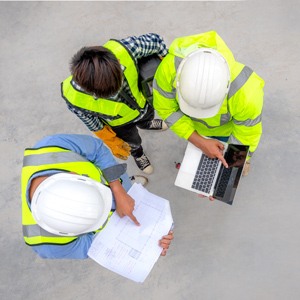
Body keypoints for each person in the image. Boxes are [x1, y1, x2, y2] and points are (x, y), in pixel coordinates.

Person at [21, 134, 173, 259]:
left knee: (125, 184)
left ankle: (129, 186)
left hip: (116, 184)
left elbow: (98, 150)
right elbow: (100, 247)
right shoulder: (49, 247)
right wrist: (149, 245)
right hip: (117, 219)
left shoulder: (53, 147)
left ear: (73, 175)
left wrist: (119, 189)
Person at [153, 31, 264, 187]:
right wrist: (198, 142)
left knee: (233, 160)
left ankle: (241, 162)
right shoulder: (169, 69)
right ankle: (197, 149)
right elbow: (166, 110)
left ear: (227, 87)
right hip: (196, 130)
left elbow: (246, 135)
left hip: (228, 132)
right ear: (179, 80)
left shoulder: (246, 92)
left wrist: (230, 171)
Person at [61, 33, 169, 175]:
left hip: (143, 105)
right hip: (120, 124)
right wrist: (111, 140)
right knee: (132, 142)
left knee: (147, 117)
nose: (115, 94)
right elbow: (92, 122)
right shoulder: (74, 98)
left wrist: (168, 69)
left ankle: (146, 124)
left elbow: (156, 41)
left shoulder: (127, 49)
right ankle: (138, 154)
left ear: (117, 62)